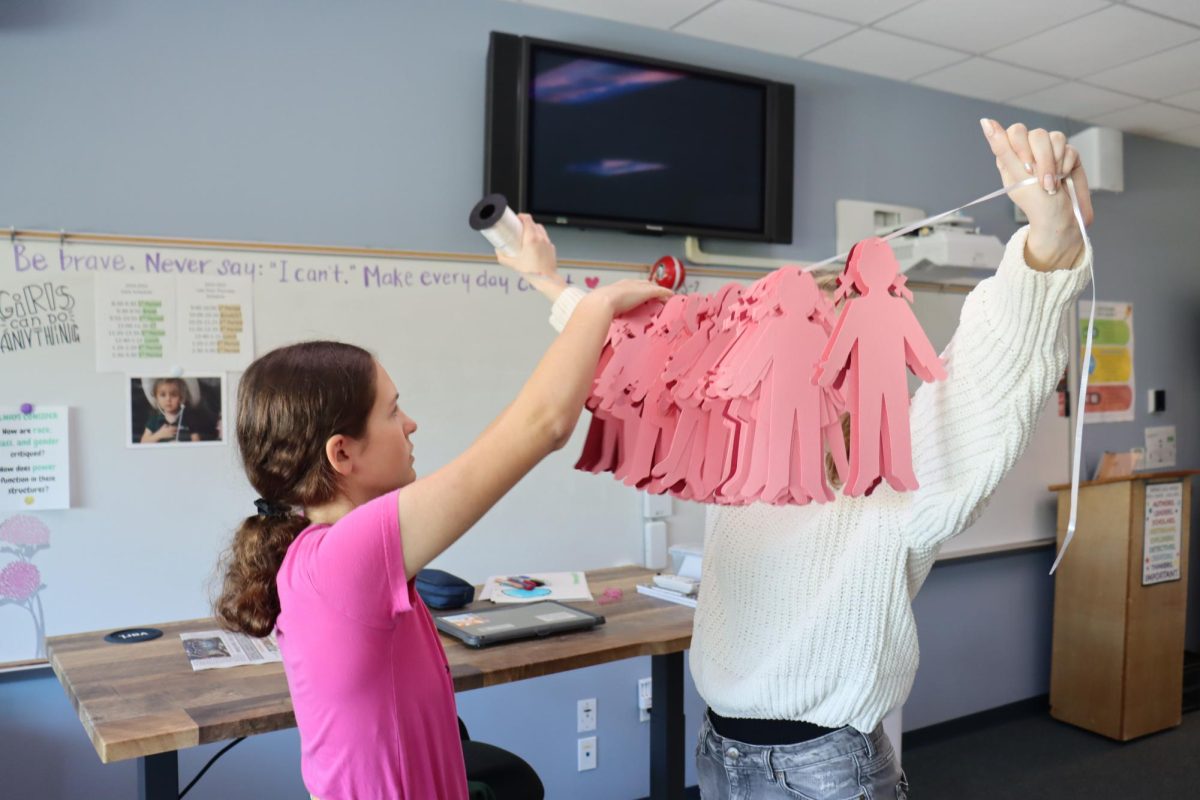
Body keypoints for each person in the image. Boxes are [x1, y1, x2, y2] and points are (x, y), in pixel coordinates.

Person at [502, 119, 1095, 799]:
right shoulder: (737, 457)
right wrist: (548, 284)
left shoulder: (890, 479)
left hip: (824, 773)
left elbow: (983, 380)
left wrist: (1049, 245)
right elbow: (640, 359)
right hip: (719, 749)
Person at [213, 218, 670, 800]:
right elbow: (544, 424)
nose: (410, 424)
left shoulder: (326, 550)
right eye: (392, 411)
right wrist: (596, 305)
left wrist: (550, 284)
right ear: (342, 453)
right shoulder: (346, 557)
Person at [140, 377, 202, 443]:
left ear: (181, 398)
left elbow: (196, 442)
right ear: (156, 398)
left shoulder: (189, 418)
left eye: (173, 395)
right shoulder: (154, 419)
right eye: (163, 395)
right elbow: (143, 442)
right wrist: (159, 435)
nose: (168, 399)